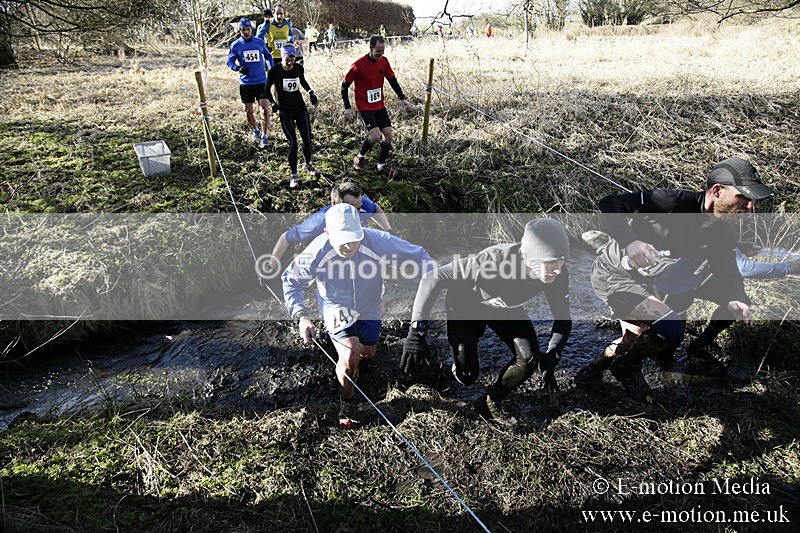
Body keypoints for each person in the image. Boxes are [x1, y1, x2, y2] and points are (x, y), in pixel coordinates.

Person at [576, 157, 775, 402]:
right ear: (717, 190)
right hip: (616, 274)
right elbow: (610, 202)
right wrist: (630, 242)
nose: (749, 207)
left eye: (752, 200)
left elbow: (726, 271)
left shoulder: (723, 231)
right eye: (742, 198)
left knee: (641, 336)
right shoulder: (672, 201)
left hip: (658, 277)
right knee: (668, 328)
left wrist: (735, 297)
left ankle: (592, 372)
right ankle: (625, 368)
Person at [401, 218, 572, 425]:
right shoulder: (494, 262)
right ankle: (445, 368)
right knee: (467, 377)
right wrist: (417, 331)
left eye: (562, 261)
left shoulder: (557, 275)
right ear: (530, 258)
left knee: (529, 359)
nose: (558, 269)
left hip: (504, 308)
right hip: (466, 306)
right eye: (551, 262)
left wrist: (553, 353)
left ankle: (492, 401)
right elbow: (433, 277)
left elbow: (563, 317)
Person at [282, 203, 433, 428]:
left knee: (368, 352)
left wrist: (436, 280)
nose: (348, 246)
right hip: (336, 304)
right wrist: (302, 316)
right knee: (351, 354)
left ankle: (349, 357)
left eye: (353, 238)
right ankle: (348, 401)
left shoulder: (376, 240)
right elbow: (290, 280)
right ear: (327, 233)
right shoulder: (317, 250)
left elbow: (420, 255)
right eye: (341, 240)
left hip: (369, 303)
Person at [269, 181, 392, 271]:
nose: (358, 212)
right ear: (334, 204)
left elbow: (376, 209)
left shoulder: (359, 203)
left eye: (359, 207)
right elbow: (285, 238)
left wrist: (389, 231)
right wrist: (270, 267)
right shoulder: (319, 222)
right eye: (351, 209)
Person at [341, 35, 413, 175]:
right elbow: (344, 86)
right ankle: (360, 156)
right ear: (371, 48)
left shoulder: (384, 62)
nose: (380, 54)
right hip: (364, 106)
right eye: (378, 51)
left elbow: (392, 81)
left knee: (388, 136)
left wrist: (403, 98)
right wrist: (347, 107)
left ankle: (381, 166)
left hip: (379, 105)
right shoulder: (358, 65)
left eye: (382, 51)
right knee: (375, 136)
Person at [266, 45, 318, 188]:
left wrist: (311, 92)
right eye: (287, 60)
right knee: (293, 144)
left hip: (299, 108)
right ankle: (294, 175)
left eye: (292, 59)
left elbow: (302, 81)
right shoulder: (274, 71)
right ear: (282, 57)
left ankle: (308, 165)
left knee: (307, 139)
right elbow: (266, 89)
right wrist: (272, 103)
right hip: (285, 110)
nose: (290, 63)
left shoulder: (298, 68)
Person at [226, 17, 273, 149]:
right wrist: (238, 68)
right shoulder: (236, 45)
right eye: (243, 30)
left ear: (251, 29)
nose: (246, 32)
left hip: (261, 81)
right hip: (246, 83)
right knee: (248, 112)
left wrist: (271, 67)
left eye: (247, 29)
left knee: (264, 109)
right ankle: (255, 130)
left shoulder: (259, 42)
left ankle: (264, 136)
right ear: (239, 30)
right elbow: (229, 61)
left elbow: (268, 56)